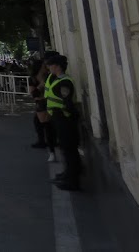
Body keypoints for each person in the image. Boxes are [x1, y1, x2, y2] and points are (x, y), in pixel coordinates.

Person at [45, 55, 81, 191]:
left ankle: (73, 181)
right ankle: (68, 175)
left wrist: (67, 114)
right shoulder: (56, 79)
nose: (49, 67)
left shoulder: (64, 82)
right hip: (59, 118)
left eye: (51, 65)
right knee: (66, 149)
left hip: (64, 119)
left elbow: (67, 103)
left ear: (58, 66)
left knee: (69, 150)